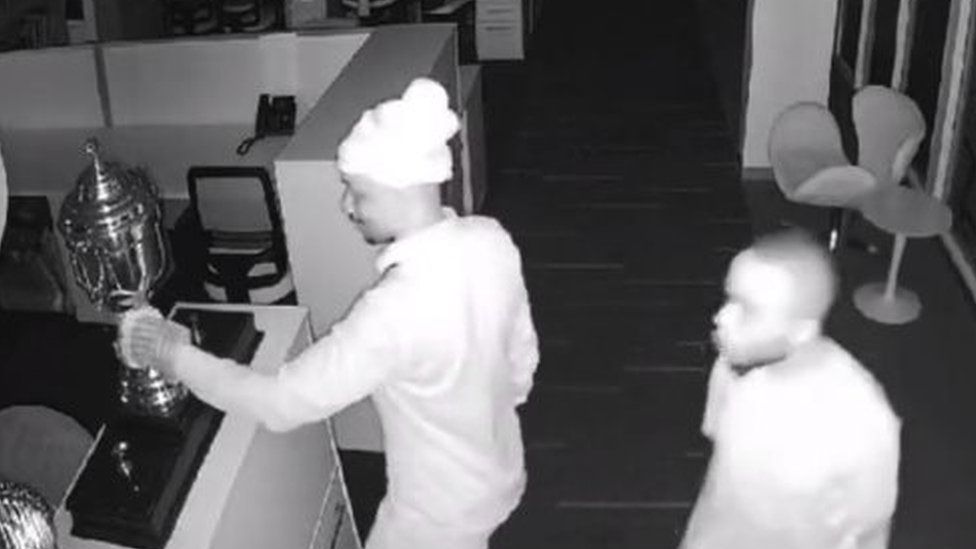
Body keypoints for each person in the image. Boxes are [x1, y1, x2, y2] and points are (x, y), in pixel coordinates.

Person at [116, 77, 539, 549]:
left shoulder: (390, 314)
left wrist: (175, 357)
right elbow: (522, 363)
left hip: (433, 521)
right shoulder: (490, 238)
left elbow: (280, 404)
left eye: (357, 192)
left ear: (399, 188)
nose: (346, 206)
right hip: (498, 470)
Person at [680, 229, 901, 549]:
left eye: (748, 309)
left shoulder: (863, 421)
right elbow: (719, 477)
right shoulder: (730, 367)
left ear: (800, 331)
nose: (721, 317)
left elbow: (869, 533)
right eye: (729, 298)